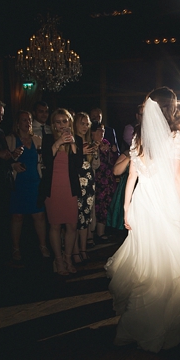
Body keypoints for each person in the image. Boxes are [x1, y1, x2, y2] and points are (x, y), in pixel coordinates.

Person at [104, 89, 180, 352]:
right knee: (175, 260)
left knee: (151, 261)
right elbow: (177, 178)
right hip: (165, 201)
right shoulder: (177, 138)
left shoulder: (139, 139)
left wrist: (127, 209)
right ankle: (162, 318)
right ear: (171, 108)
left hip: (143, 202)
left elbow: (131, 177)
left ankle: (142, 319)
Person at [39, 108, 83, 275]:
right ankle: (58, 260)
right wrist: (58, 143)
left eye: (65, 121)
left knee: (72, 225)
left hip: (70, 187)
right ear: (53, 125)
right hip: (53, 188)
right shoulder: (48, 139)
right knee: (55, 225)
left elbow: (78, 165)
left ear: (69, 122)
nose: (62, 125)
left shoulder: (76, 139)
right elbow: (46, 160)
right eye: (58, 122)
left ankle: (68, 258)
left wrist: (72, 143)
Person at [6, 110, 47, 261]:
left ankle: (43, 246)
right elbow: (4, 161)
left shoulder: (37, 139)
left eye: (29, 119)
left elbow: (43, 160)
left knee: (39, 215)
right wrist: (13, 163)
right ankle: (16, 248)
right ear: (17, 123)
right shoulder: (10, 139)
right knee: (17, 216)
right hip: (19, 183)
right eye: (24, 120)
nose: (27, 122)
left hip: (35, 181)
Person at [73, 112, 98, 263]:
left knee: (86, 217)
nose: (85, 126)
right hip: (75, 181)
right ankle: (74, 251)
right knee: (74, 217)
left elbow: (95, 165)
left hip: (89, 181)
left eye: (87, 123)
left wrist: (95, 154)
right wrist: (80, 152)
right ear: (75, 123)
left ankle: (83, 249)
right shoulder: (71, 141)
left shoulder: (89, 140)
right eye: (82, 123)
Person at [91, 121, 119, 242]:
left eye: (102, 130)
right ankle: (92, 234)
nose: (101, 133)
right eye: (98, 130)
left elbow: (115, 161)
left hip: (107, 180)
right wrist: (97, 149)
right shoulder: (90, 145)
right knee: (96, 207)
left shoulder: (106, 143)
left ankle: (101, 233)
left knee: (106, 205)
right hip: (96, 180)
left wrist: (112, 151)